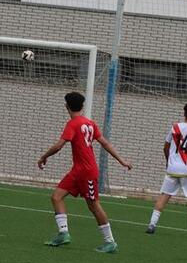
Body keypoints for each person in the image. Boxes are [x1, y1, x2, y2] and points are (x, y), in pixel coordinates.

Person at [38, 91, 132, 253]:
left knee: (93, 205)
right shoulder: (90, 123)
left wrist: (44, 156)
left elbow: (59, 145)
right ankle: (63, 233)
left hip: (87, 172)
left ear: (66, 106)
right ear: (82, 106)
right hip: (78, 171)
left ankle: (110, 242)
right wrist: (121, 160)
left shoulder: (72, 124)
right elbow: (105, 143)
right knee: (56, 196)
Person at [146, 100, 187, 239]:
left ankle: (152, 225)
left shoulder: (175, 127)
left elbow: (165, 147)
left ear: (184, 112)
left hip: (172, 169)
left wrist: (168, 162)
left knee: (164, 196)